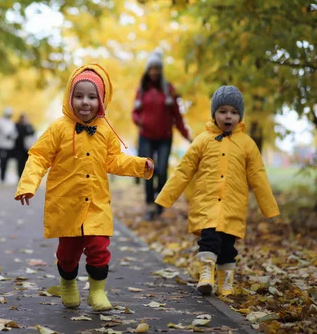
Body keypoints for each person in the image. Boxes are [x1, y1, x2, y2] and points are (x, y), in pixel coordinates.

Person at [14, 64, 154, 311]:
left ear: (101, 100)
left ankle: (97, 292)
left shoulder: (105, 131)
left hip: (96, 203)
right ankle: (67, 284)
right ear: (70, 98)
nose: (85, 102)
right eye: (79, 96)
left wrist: (140, 165)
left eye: (92, 96)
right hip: (66, 204)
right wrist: (28, 184)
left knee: (99, 249)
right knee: (67, 255)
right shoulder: (58, 128)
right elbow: (38, 156)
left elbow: (114, 160)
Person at [155, 86, 280, 296]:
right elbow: (183, 170)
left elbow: (258, 176)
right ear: (214, 114)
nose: (228, 116)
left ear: (240, 115)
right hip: (207, 204)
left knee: (228, 248)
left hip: (233, 205)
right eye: (223, 111)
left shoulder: (247, 144)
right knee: (209, 239)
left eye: (233, 111)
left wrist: (269, 209)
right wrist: (166, 198)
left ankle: (226, 285)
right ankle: (206, 275)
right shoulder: (202, 141)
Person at [132, 48, 192, 221]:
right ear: (148, 70)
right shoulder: (142, 90)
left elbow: (177, 116)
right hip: (146, 136)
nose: (154, 72)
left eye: (157, 68)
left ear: (161, 70)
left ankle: (159, 202)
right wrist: (139, 121)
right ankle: (150, 204)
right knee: (148, 169)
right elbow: (134, 113)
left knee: (162, 169)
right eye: (152, 68)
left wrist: (187, 135)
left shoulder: (169, 90)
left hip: (165, 136)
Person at [0, 107, 18, 183]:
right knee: (2, 161)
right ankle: (2, 176)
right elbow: (5, 132)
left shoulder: (11, 122)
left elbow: (14, 133)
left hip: (10, 145)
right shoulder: (0, 121)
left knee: (7, 161)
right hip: (2, 145)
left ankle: (4, 175)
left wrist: (13, 136)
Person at [14, 113, 35, 178]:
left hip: (27, 148)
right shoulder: (17, 125)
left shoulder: (29, 126)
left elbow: (32, 133)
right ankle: (19, 177)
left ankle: (25, 176)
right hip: (19, 148)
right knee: (20, 163)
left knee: (27, 163)